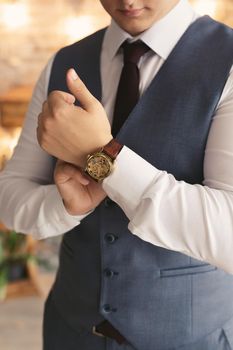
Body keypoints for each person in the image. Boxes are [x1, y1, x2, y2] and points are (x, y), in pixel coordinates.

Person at [1, 0, 233, 348]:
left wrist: (102, 157)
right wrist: (66, 206)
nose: (128, 1)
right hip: (69, 332)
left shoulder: (227, 59)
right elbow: (10, 197)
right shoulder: (63, 62)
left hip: (190, 337)